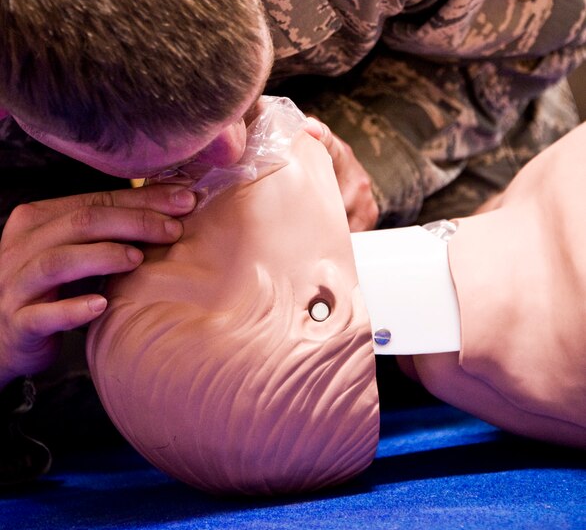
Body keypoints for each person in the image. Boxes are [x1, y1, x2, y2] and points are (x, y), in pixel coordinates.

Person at [0, 0, 585, 481]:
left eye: (241, 100)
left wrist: (380, 158)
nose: (228, 153)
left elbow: (537, 43)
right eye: (162, 158)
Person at [86, 100, 585, 496]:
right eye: (179, 237)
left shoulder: (495, 265)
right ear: (319, 310)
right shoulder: (558, 305)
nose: (172, 175)